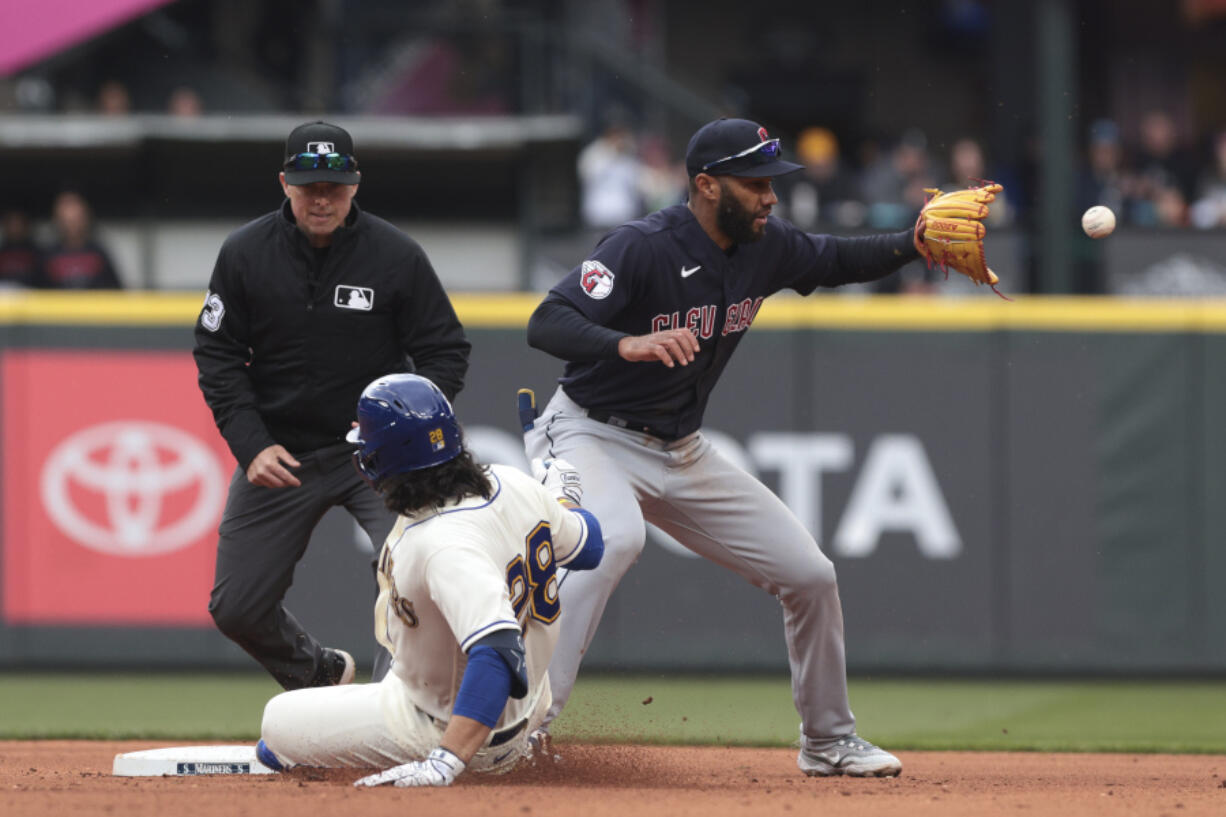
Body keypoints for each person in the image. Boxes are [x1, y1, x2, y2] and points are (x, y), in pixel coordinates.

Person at [524, 117, 943, 778]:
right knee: (613, 541)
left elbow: (836, 260)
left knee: (810, 575)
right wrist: (624, 342)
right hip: (587, 431)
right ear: (705, 184)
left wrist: (914, 242)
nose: (770, 197)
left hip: (680, 449)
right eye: (755, 184)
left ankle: (829, 740)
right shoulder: (641, 246)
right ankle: (523, 727)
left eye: (772, 183)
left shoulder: (765, 245)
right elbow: (547, 319)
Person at [193, 121, 471, 690]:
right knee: (237, 607)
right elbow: (217, 355)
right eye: (308, 186)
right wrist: (251, 444)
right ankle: (321, 677)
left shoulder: (395, 255)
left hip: (377, 457)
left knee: (410, 578)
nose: (321, 199)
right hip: (280, 450)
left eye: (334, 187)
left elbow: (445, 350)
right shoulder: (245, 253)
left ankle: (402, 709)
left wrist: (401, 426)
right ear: (284, 184)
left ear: (356, 185)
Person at [255, 373, 603, 785]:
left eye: (366, 443)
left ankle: (466, 759)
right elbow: (590, 548)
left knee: (276, 726)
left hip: (456, 726)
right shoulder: (512, 483)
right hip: (526, 706)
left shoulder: (441, 542)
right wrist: (563, 500)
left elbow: (497, 651)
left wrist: (446, 761)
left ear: (377, 462)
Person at [38, 191, 122, 289]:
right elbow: (36, 293)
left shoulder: (98, 253)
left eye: (76, 219)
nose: (71, 225)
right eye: (66, 221)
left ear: (85, 218)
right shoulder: (48, 256)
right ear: (57, 220)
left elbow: (116, 291)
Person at [0, 206, 42, 288]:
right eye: (11, 223)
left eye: (18, 223)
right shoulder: (1, 252)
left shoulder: (36, 254)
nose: (15, 227)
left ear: (26, 226)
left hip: (30, 296)